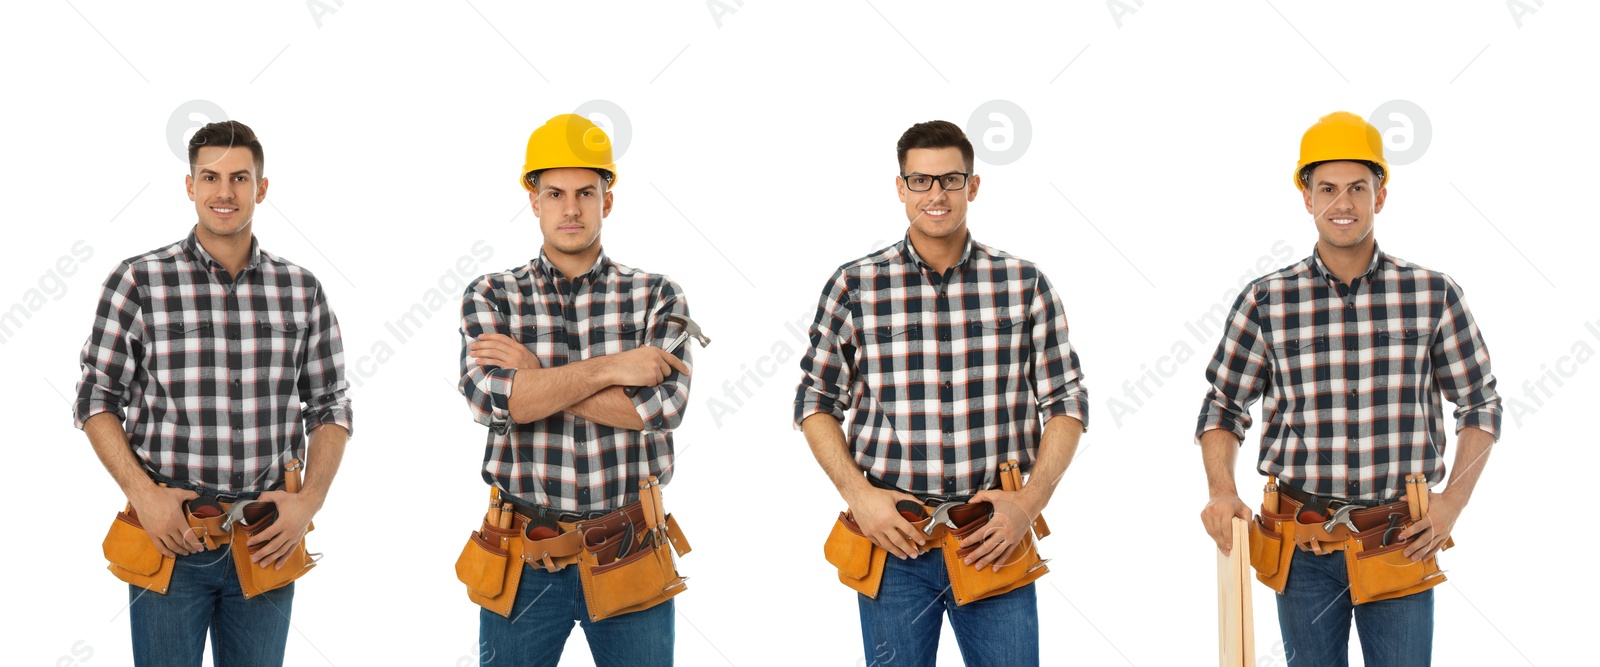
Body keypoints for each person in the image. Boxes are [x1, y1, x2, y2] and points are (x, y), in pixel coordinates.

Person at [1195, 111, 1502, 667]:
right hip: (1301, 542)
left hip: (1401, 538)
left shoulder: (1433, 295)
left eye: (1358, 188)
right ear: (1306, 197)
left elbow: (1480, 403)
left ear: (1381, 196)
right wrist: (1221, 490)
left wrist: (1453, 502)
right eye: (1328, 188)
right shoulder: (1267, 300)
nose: (1344, 203)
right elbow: (1223, 404)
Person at [795, 120, 1089, 667]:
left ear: (973, 186)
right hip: (893, 540)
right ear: (900, 187)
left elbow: (1067, 401)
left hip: (993, 536)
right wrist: (859, 496)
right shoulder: (854, 285)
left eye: (951, 180)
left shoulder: (1023, 283)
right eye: (922, 181)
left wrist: (1030, 503)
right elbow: (814, 402)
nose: (937, 195)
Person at [76, 120, 353, 667]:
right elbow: (97, 399)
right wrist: (145, 496)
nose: (224, 192)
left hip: (266, 540)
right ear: (190, 186)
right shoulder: (139, 281)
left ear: (262, 187)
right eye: (210, 177)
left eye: (239, 178)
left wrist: (309, 502)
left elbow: (330, 405)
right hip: (169, 538)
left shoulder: (300, 289)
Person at [457, 113, 694, 666]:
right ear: (533, 200)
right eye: (555, 193)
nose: (571, 208)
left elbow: (661, 408)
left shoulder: (658, 295)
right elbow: (493, 400)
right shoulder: (492, 294)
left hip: (631, 547)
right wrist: (613, 368)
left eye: (586, 193)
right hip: (524, 554)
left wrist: (536, 373)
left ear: (607, 200)